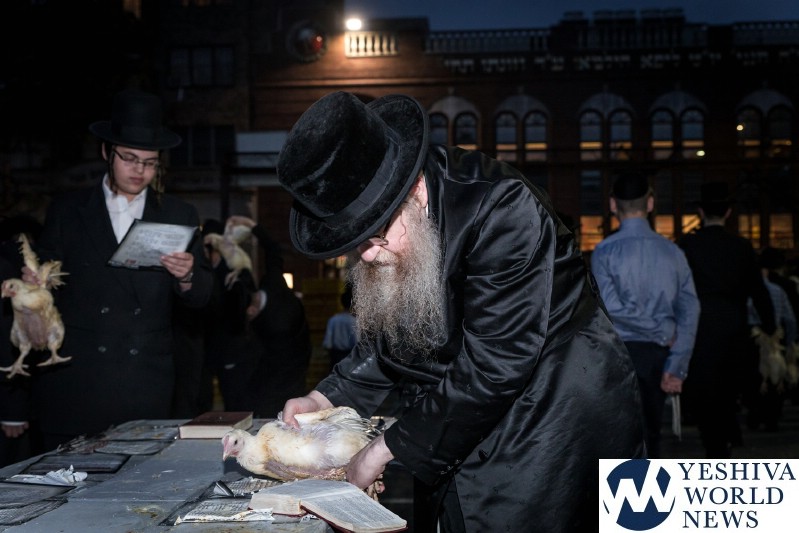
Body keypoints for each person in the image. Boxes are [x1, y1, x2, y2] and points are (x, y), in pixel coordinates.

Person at [275, 91, 645, 532]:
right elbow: (395, 339)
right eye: (357, 244)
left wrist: (383, 449)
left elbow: (496, 365)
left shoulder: (503, 209)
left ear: (414, 190)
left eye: (376, 235)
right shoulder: (399, 227)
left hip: (552, 417)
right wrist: (325, 397)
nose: (369, 256)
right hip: (453, 414)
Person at [16, 89, 213, 451]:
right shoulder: (67, 210)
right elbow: (46, 278)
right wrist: (36, 280)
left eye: (150, 162)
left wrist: (187, 275)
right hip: (78, 383)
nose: (140, 170)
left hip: (145, 384)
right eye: (130, 158)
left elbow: (202, 298)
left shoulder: (178, 213)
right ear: (107, 152)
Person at [591, 172, 700, 458]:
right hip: (661, 352)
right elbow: (690, 309)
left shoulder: (604, 252)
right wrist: (677, 362)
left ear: (612, 205)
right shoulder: (673, 252)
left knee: (623, 437)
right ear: (650, 203)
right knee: (652, 434)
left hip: (619, 352)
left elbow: (609, 307)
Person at [678, 181, 775, 458]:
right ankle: (725, 438)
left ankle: (713, 442)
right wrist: (769, 325)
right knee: (729, 388)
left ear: (700, 212)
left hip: (699, 326)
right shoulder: (741, 247)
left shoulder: (688, 246)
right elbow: (758, 291)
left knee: (705, 388)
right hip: (734, 325)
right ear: (729, 212)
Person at [227, 215, 312, 418]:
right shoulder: (272, 282)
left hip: (290, 363)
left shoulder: (275, 324)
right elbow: (273, 251)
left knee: (279, 407)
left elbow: (261, 360)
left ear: (251, 311)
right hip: (288, 352)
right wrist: (253, 227)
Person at [322, 284, 357, 371]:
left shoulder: (333, 320)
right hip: (350, 356)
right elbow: (357, 342)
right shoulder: (354, 321)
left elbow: (328, 343)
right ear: (353, 304)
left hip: (335, 356)